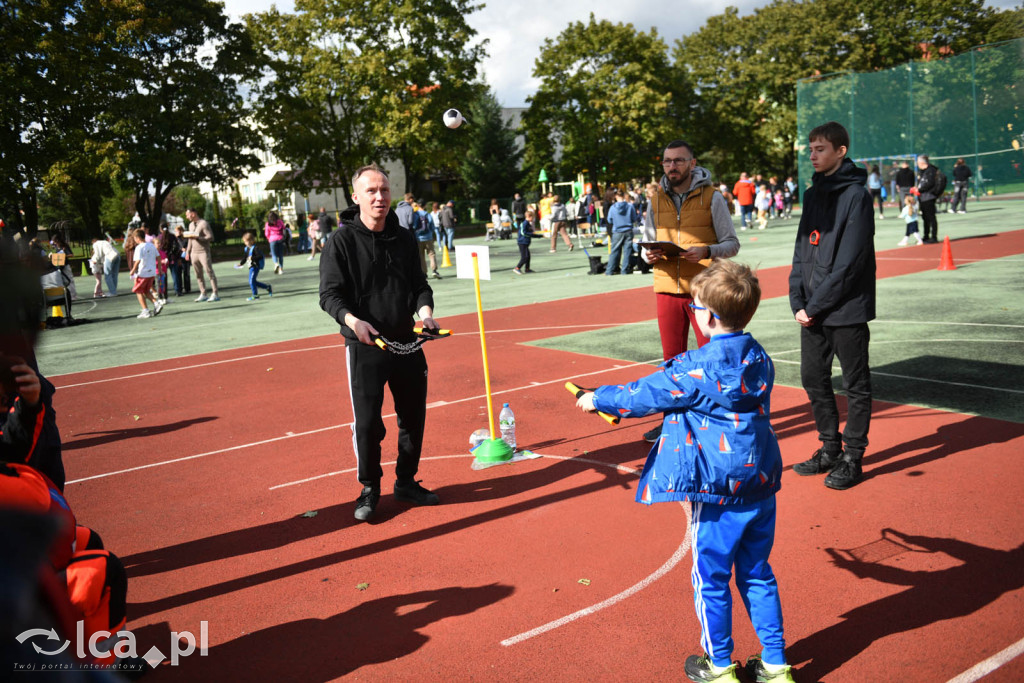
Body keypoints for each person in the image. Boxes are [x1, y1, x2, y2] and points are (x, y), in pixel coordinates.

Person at [575, 260, 793, 683]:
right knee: (757, 573)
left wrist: (596, 399)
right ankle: (775, 663)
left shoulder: (697, 367)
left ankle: (720, 663)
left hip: (715, 490)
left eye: (694, 308)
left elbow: (642, 394)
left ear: (709, 317)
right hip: (760, 483)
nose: (693, 313)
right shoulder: (759, 357)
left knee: (710, 577)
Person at [319, 164, 442, 522]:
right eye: (371, 191)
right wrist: (354, 322)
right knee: (369, 423)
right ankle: (369, 488)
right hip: (364, 345)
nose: (379, 197)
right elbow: (329, 296)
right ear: (356, 197)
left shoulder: (404, 238)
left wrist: (425, 313)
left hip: (407, 342)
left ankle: (405, 482)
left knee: (413, 417)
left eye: (385, 190)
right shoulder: (340, 243)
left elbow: (420, 285)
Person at [789, 121, 875, 491]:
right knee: (813, 378)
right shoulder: (813, 194)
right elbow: (800, 251)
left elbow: (850, 262)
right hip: (812, 310)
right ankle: (829, 448)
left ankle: (853, 456)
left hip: (845, 309)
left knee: (855, 384)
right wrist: (797, 297)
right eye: (810, 148)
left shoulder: (857, 196)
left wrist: (816, 304)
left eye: (820, 148)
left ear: (841, 151)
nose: (813, 154)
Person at [641, 140, 740, 444]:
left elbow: (732, 243)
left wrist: (707, 250)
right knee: (672, 360)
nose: (673, 166)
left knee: (711, 359)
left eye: (679, 161)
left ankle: (715, 419)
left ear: (693, 163)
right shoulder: (655, 200)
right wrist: (649, 256)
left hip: (705, 291)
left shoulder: (712, 197)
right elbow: (645, 244)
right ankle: (673, 421)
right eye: (668, 161)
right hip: (667, 288)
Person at [184, 207, 220, 301]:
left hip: (203, 251)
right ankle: (203, 293)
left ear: (193, 213)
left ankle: (215, 293)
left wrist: (199, 238)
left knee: (209, 272)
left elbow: (211, 237)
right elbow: (190, 240)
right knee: (198, 274)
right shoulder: (191, 225)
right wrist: (188, 252)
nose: (187, 217)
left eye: (188, 215)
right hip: (194, 253)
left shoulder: (203, 223)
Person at [129, 228, 163, 319]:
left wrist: (132, 270)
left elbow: (137, 261)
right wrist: (159, 269)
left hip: (143, 273)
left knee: (138, 291)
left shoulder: (139, 247)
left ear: (137, 238)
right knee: (146, 290)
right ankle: (156, 304)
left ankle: (145, 310)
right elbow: (158, 257)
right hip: (151, 272)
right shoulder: (151, 245)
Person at [605, 192, 637, 275]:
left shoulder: (612, 207)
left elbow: (609, 220)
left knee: (614, 251)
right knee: (627, 252)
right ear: (624, 196)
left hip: (617, 231)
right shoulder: (630, 206)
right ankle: (624, 270)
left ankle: (610, 270)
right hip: (628, 230)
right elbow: (634, 218)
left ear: (616, 197)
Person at [413, 200, 442, 279]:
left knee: (421, 256)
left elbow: (414, 226)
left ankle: (424, 272)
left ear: (418, 205)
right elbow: (432, 226)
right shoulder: (427, 214)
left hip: (418, 238)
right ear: (425, 206)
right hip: (428, 237)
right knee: (431, 254)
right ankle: (434, 270)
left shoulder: (415, 215)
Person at [915, 154, 940, 243]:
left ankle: (934, 236)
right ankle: (926, 235)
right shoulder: (922, 171)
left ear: (922, 162)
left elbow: (929, 184)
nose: (917, 164)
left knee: (931, 217)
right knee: (925, 217)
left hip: (929, 196)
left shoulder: (931, 171)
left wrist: (919, 189)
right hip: (922, 197)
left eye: (918, 162)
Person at [513, 209, 543, 275]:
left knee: (528, 256)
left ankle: (527, 269)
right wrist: (532, 234)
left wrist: (539, 236)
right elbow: (524, 233)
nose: (533, 218)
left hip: (526, 243)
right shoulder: (524, 223)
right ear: (529, 217)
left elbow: (531, 233)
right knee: (524, 257)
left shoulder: (528, 224)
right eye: (533, 217)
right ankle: (517, 268)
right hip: (522, 242)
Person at [264, 210, 287, 274]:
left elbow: (266, 233)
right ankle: (281, 269)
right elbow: (284, 228)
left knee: (273, 254)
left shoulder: (267, 224)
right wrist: (283, 237)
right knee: (280, 255)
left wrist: (269, 239)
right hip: (280, 239)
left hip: (272, 240)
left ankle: (276, 263)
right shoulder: (280, 222)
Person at [172, 225, 191, 295]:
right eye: (176, 231)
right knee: (178, 274)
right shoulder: (175, 239)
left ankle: (187, 288)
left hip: (185, 257)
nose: (178, 232)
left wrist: (186, 249)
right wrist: (180, 249)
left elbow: (189, 245)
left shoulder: (185, 238)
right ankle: (179, 288)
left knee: (186, 273)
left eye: (179, 230)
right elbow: (174, 247)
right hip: (178, 257)